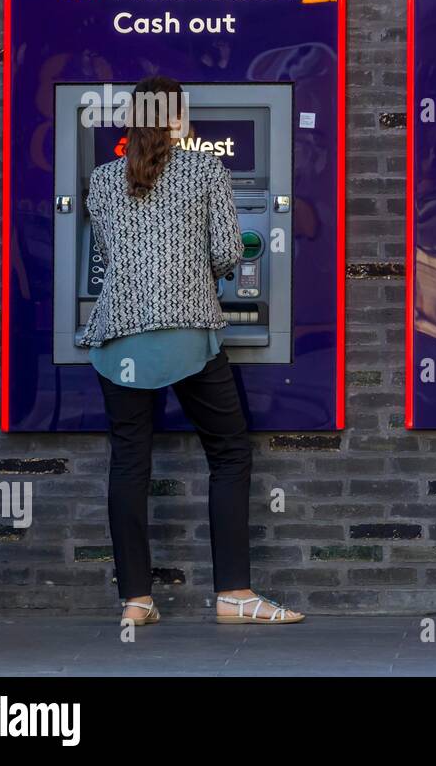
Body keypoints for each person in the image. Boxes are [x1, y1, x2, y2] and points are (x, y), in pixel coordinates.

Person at [80, 76, 303, 627]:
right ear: (179, 120)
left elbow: (107, 257)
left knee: (129, 463)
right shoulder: (205, 170)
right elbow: (229, 251)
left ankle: (136, 600)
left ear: (130, 122)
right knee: (228, 452)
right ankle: (234, 595)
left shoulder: (104, 180)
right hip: (188, 334)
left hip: (118, 337)